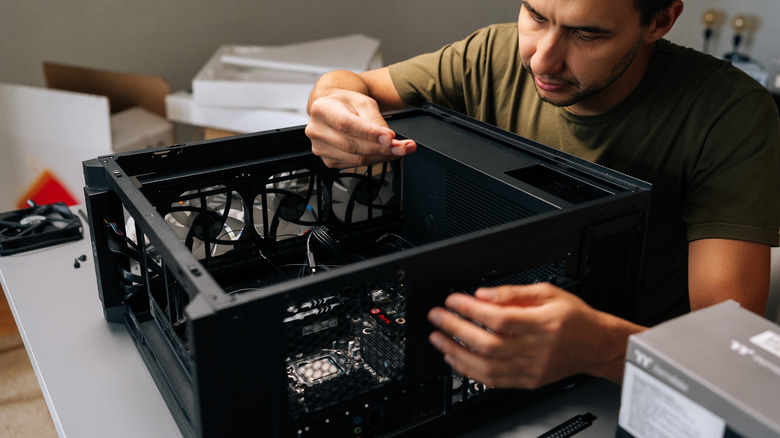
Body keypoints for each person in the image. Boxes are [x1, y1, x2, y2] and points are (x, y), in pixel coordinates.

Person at [305, 0, 780, 389]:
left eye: (586, 34)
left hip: (633, 378)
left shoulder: (729, 114)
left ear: (659, 21)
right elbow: (356, 84)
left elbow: (729, 353)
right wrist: (331, 99)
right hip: (474, 351)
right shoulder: (490, 54)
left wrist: (605, 350)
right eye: (535, 15)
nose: (541, 59)